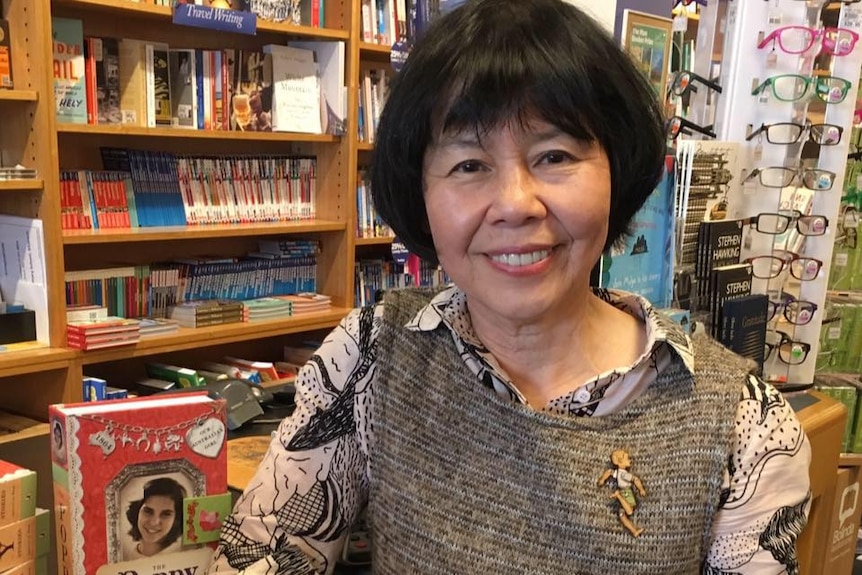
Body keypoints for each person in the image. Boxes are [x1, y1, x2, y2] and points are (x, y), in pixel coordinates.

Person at [208, 0, 811, 573]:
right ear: (421, 193)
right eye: (469, 165)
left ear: (616, 169)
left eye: (554, 156)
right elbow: (261, 551)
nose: (516, 205)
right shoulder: (370, 356)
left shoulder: (745, 425)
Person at [125, 476, 186, 559]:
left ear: (176, 519)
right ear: (137, 511)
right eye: (148, 511)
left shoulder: (185, 556)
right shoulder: (123, 558)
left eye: (166, 514)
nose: (154, 522)